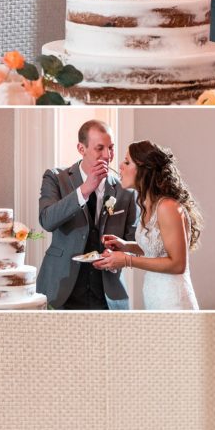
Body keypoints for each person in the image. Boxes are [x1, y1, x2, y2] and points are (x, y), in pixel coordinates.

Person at [36, 120, 137, 310]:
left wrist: (116, 257)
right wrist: (84, 190)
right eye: (100, 148)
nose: (108, 156)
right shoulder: (56, 178)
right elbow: (47, 220)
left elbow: (133, 242)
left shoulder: (126, 191)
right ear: (81, 148)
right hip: (60, 291)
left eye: (111, 148)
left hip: (107, 297)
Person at [94, 141, 201, 310]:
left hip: (173, 300)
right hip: (155, 296)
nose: (120, 166)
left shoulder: (167, 207)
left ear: (144, 170)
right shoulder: (147, 205)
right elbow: (156, 249)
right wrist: (125, 246)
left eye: (127, 162)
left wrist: (127, 260)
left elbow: (178, 264)